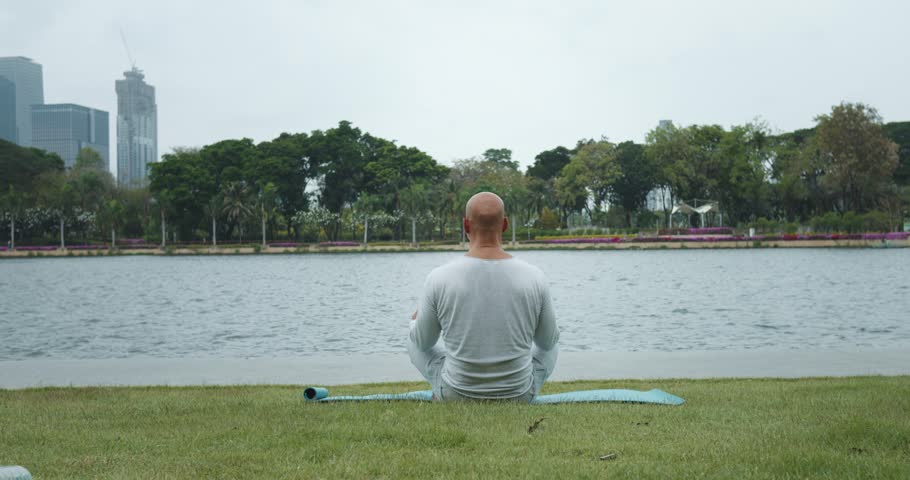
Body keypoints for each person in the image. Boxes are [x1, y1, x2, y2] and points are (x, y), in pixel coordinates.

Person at [408, 191, 559, 402]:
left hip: (455, 394)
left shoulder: (439, 277)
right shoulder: (535, 276)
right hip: (519, 395)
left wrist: (415, 320)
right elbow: (547, 342)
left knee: (413, 334)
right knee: (554, 342)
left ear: (466, 226)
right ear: (505, 225)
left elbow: (423, 343)